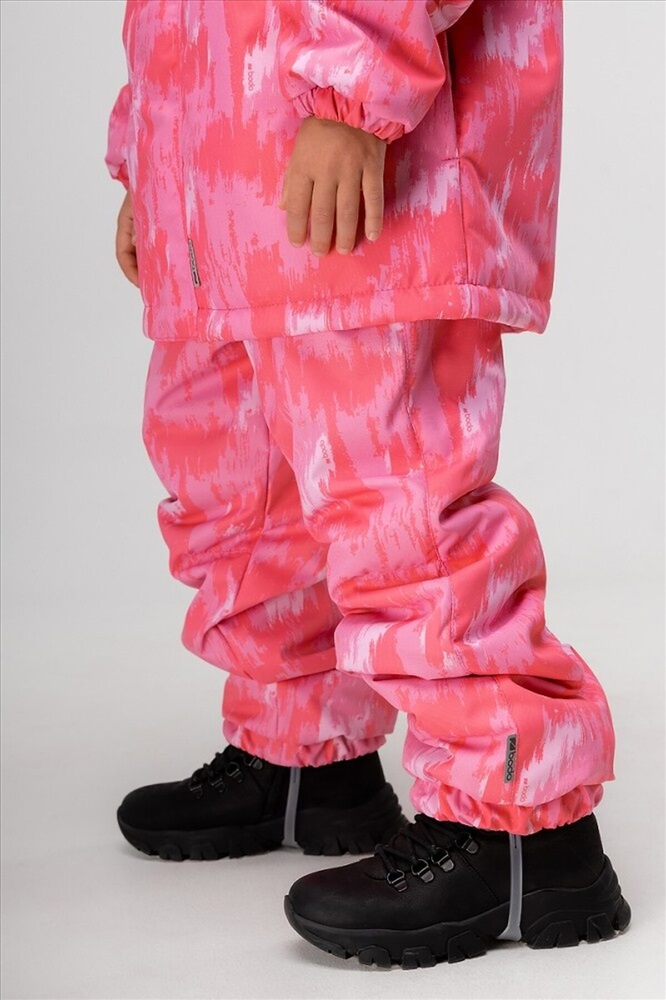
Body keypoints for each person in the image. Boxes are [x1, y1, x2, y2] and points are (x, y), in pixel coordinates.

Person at [106, 0, 630, 968]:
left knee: (397, 493)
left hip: (365, 142)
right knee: (239, 480)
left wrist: (352, 87)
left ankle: (523, 828)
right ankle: (305, 754)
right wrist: (151, 153)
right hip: (217, 163)